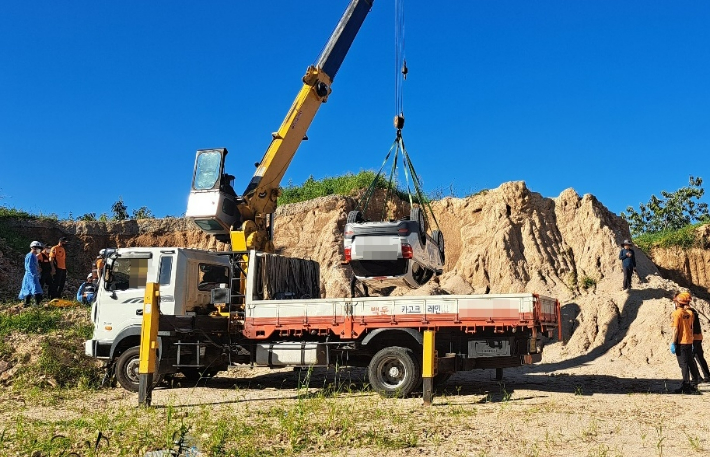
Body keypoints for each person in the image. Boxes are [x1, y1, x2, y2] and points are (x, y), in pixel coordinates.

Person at [670, 292, 701, 393]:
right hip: (689, 341)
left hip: (681, 342)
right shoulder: (690, 313)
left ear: (678, 303)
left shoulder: (676, 313)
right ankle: (694, 383)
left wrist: (674, 343)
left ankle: (686, 386)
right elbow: (691, 328)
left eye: (675, 301)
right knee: (690, 362)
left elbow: (675, 330)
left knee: (683, 364)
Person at [683, 292, 710, 384]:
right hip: (698, 337)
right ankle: (707, 376)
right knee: (699, 357)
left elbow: (690, 326)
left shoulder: (689, 312)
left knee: (691, 357)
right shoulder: (693, 310)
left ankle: (697, 377)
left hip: (693, 338)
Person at [19, 241, 44, 307]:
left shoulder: (33, 256)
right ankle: (37, 304)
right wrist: (34, 275)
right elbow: (30, 267)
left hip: (31, 275)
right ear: (33, 248)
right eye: (38, 248)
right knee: (35, 288)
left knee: (29, 289)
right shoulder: (30, 256)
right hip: (31, 275)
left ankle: (26, 303)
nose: (39, 250)